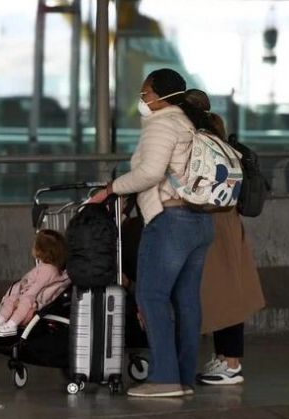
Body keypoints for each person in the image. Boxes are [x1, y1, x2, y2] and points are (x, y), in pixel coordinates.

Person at [88, 68, 216, 398]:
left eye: (144, 93)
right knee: (186, 301)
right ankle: (183, 379)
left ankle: (164, 379)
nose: (142, 100)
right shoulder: (189, 123)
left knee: (151, 296)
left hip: (170, 221)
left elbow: (149, 173)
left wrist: (111, 189)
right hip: (199, 222)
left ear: (159, 95)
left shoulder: (162, 123)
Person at [181, 89, 265, 386]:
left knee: (224, 294)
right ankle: (225, 358)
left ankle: (231, 364)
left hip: (215, 223)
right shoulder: (217, 135)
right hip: (226, 223)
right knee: (226, 292)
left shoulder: (201, 140)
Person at [0, 229, 70, 337]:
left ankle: (11, 324)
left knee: (24, 301)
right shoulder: (46, 267)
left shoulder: (48, 270)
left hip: (33, 304)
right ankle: (0, 322)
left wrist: (21, 298)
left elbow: (36, 288)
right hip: (30, 299)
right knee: (11, 299)